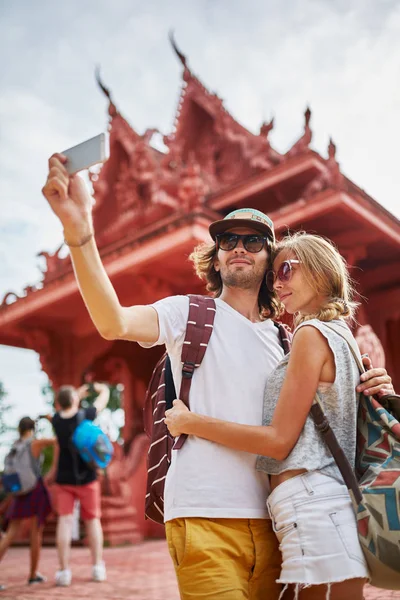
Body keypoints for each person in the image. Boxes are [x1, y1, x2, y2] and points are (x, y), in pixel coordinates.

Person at [41, 156, 393, 599]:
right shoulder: (188, 314)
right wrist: (80, 233)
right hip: (202, 514)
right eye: (227, 239)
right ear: (217, 254)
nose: (238, 246)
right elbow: (114, 323)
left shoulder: (288, 341)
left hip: (279, 522)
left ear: (272, 261)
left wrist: (371, 390)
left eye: (253, 241)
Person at [164, 232, 375, 599]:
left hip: (310, 499)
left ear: (321, 271)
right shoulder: (345, 338)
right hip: (335, 499)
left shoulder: (308, 333)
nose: (277, 284)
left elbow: (278, 442)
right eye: (275, 275)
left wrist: (190, 422)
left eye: (287, 271)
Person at [48, 382, 110, 587]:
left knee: (64, 523)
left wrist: (75, 393)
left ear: (58, 403)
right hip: (88, 478)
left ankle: (64, 571)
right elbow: (103, 400)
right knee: (93, 522)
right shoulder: (85, 415)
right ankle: (97, 568)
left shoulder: (56, 420)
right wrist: (102, 389)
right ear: (75, 400)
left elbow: (65, 405)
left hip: (64, 479)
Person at [0, 417, 55, 589]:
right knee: (36, 532)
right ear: (32, 428)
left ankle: (33, 574)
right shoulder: (35, 443)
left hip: (19, 492)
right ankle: (32, 575)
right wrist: (52, 420)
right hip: (35, 490)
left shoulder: (15, 447)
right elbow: (59, 437)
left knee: (10, 533)